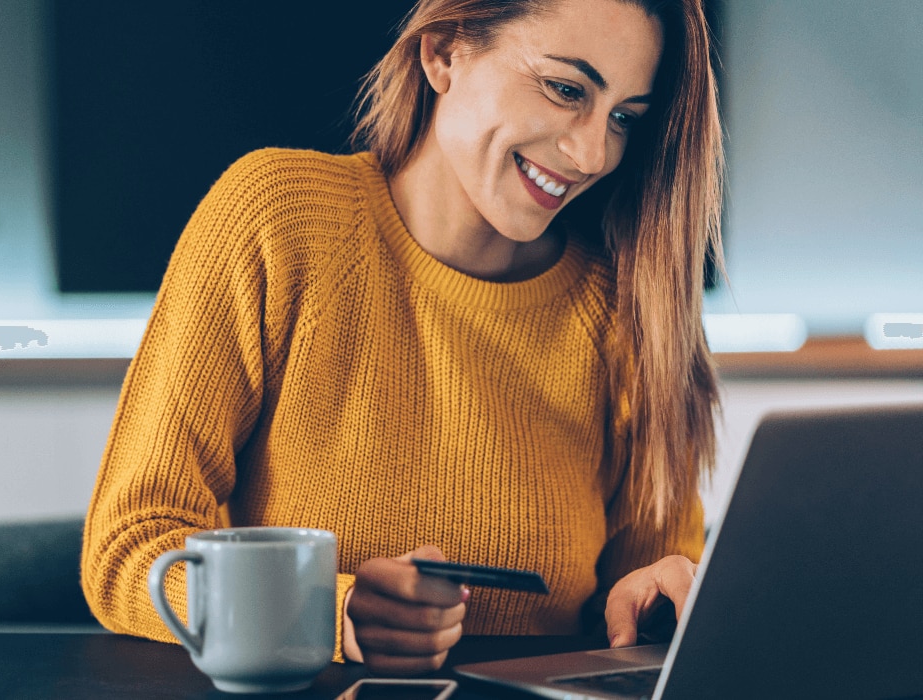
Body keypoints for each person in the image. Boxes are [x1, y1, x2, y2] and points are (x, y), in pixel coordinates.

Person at [81, 0, 723, 676]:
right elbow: (130, 545)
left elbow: (650, 597)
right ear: (444, 51)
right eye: (566, 89)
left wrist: (656, 601)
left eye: (625, 118)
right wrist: (330, 615)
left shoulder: (624, 309)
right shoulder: (276, 223)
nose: (593, 152)